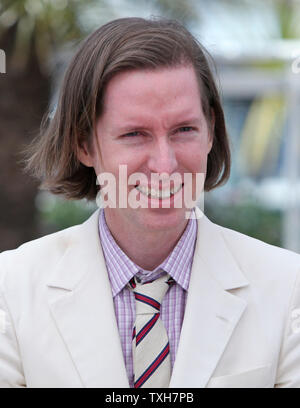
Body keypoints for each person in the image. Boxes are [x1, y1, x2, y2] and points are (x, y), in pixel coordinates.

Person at [1, 17, 300, 389]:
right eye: (135, 134)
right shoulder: (11, 290)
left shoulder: (288, 287)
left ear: (210, 131)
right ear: (84, 145)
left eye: (184, 130)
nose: (165, 164)